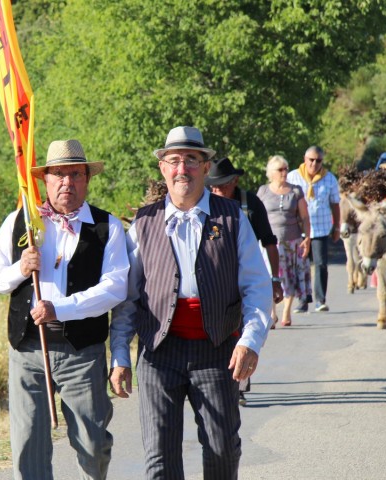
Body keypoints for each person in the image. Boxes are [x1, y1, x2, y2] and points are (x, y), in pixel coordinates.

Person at [109, 126, 273, 480]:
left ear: (205, 165)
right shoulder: (143, 223)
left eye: (191, 160)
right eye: (174, 160)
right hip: (158, 351)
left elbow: (256, 286)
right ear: (162, 168)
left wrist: (250, 341)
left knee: (222, 450)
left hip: (217, 350)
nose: (182, 168)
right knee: (159, 460)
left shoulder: (232, 218)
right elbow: (128, 299)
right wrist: (120, 353)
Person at [0, 139, 130, 480]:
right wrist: (19, 270)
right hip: (28, 348)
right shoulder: (22, 222)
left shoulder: (108, 227)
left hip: (82, 350)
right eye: (58, 174)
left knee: (92, 444)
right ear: (44, 180)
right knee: (28, 443)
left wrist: (59, 309)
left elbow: (114, 288)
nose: (67, 182)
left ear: (87, 179)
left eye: (75, 174)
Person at [204, 156, 282, 406]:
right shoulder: (207, 207)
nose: (217, 191)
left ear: (235, 181)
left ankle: (238, 385)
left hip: (247, 277)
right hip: (219, 280)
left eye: (222, 186)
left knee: (244, 329)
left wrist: (274, 279)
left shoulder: (251, 204)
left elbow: (269, 242)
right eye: (212, 187)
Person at [257, 155, 312, 326]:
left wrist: (307, 237)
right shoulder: (263, 191)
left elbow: (304, 217)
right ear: (271, 173)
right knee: (269, 278)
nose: (284, 172)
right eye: (280, 169)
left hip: (292, 241)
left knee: (290, 278)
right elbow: (257, 215)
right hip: (269, 243)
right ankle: (272, 313)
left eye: (286, 169)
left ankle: (286, 311)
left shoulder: (296, 191)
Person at [287, 146, 341, 312]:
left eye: (318, 160)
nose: (314, 163)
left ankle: (320, 300)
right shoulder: (293, 177)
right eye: (311, 160)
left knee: (321, 264)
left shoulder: (329, 178)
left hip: (320, 228)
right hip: (299, 228)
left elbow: (335, 204)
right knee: (300, 265)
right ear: (305, 159)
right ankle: (302, 301)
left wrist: (337, 226)